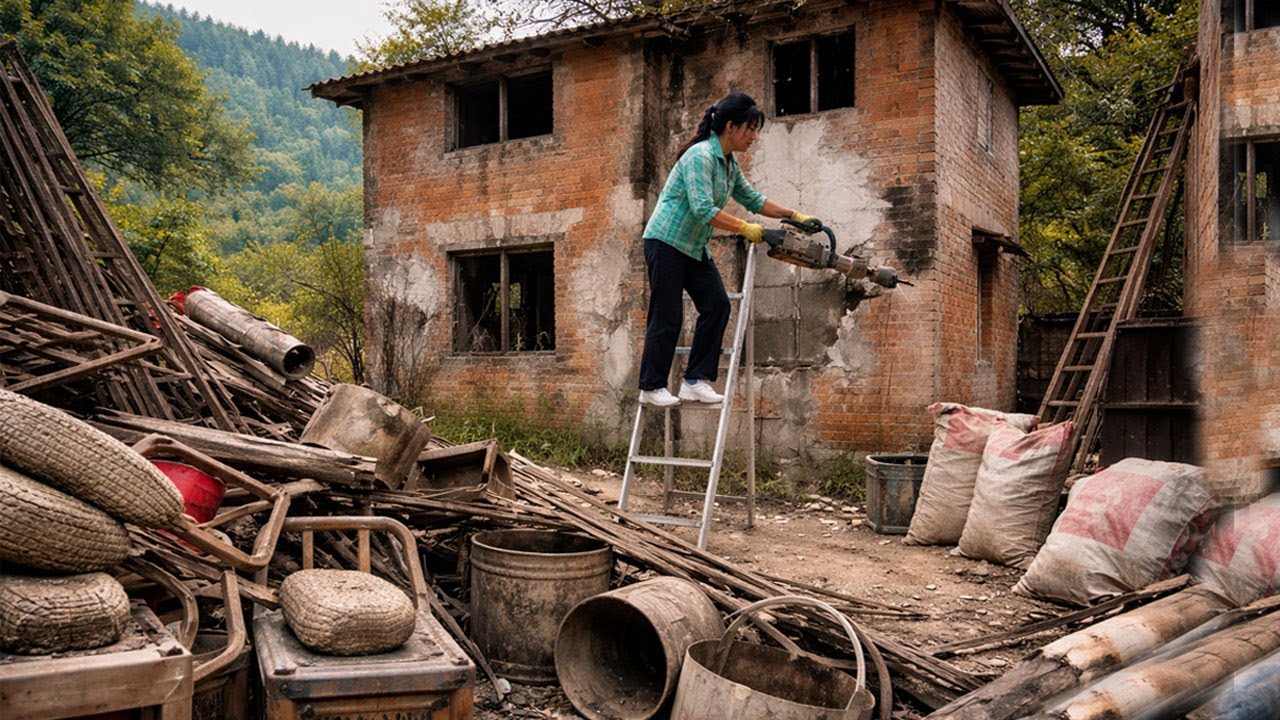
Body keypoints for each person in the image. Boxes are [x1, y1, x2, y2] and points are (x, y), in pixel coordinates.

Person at [638, 91, 820, 407]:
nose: (753, 137)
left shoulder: (728, 164)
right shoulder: (701, 157)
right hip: (666, 241)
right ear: (731, 126)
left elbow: (754, 199)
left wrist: (794, 215)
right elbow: (702, 209)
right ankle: (651, 386)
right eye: (750, 129)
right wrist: (744, 227)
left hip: (692, 245)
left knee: (717, 304)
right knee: (667, 315)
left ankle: (694, 381)